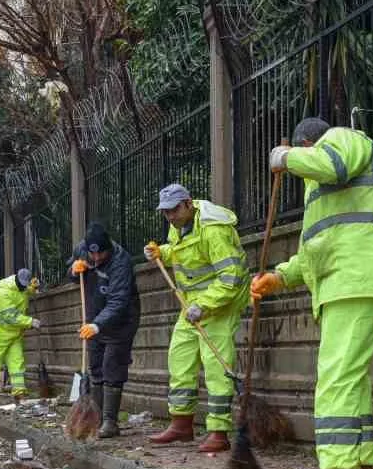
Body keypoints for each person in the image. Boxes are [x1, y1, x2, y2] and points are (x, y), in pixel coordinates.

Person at [252, 117, 373, 469]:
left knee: (335, 377)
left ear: (309, 143)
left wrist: (286, 157)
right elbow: (318, 248)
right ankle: (361, 466)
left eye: (304, 153)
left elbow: (331, 165)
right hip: (354, 278)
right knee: (352, 380)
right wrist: (281, 276)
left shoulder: (344, 140)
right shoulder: (335, 189)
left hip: (353, 279)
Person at [143, 184, 249, 453]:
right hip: (190, 305)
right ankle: (181, 424)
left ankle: (219, 431)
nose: (170, 217)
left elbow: (231, 278)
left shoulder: (214, 230)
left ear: (188, 203)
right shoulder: (177, 226)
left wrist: (204, 305)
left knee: (216, 366)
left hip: (219, 304)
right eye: (165, 212)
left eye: (174, 210)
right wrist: (162, 253)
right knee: (179, 359)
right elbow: (184, 253)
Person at [69, 222, 139, 438]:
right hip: (92, 316)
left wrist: (98, 324)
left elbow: (118, 301)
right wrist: (73, 270)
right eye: (93, 255)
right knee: (96, 368)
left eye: (101, 254)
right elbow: (71, 268)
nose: (97, 259)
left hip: (120, 321)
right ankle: (95, 419)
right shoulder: (83, 249)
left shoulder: (121, 261)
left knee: (112, 366)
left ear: (108, 247)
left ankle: (110, 421)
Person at [0, 268, 41, 399]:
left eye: (26, 285)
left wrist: (33, 288)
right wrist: (30, 321)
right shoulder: (3, 293)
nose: (23, 287)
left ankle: (19, 392)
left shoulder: (22, 287)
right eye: (22, 285)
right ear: (16, 279)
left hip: (14, 333)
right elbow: (11, 317)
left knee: (17, 362)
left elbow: (25, 292)